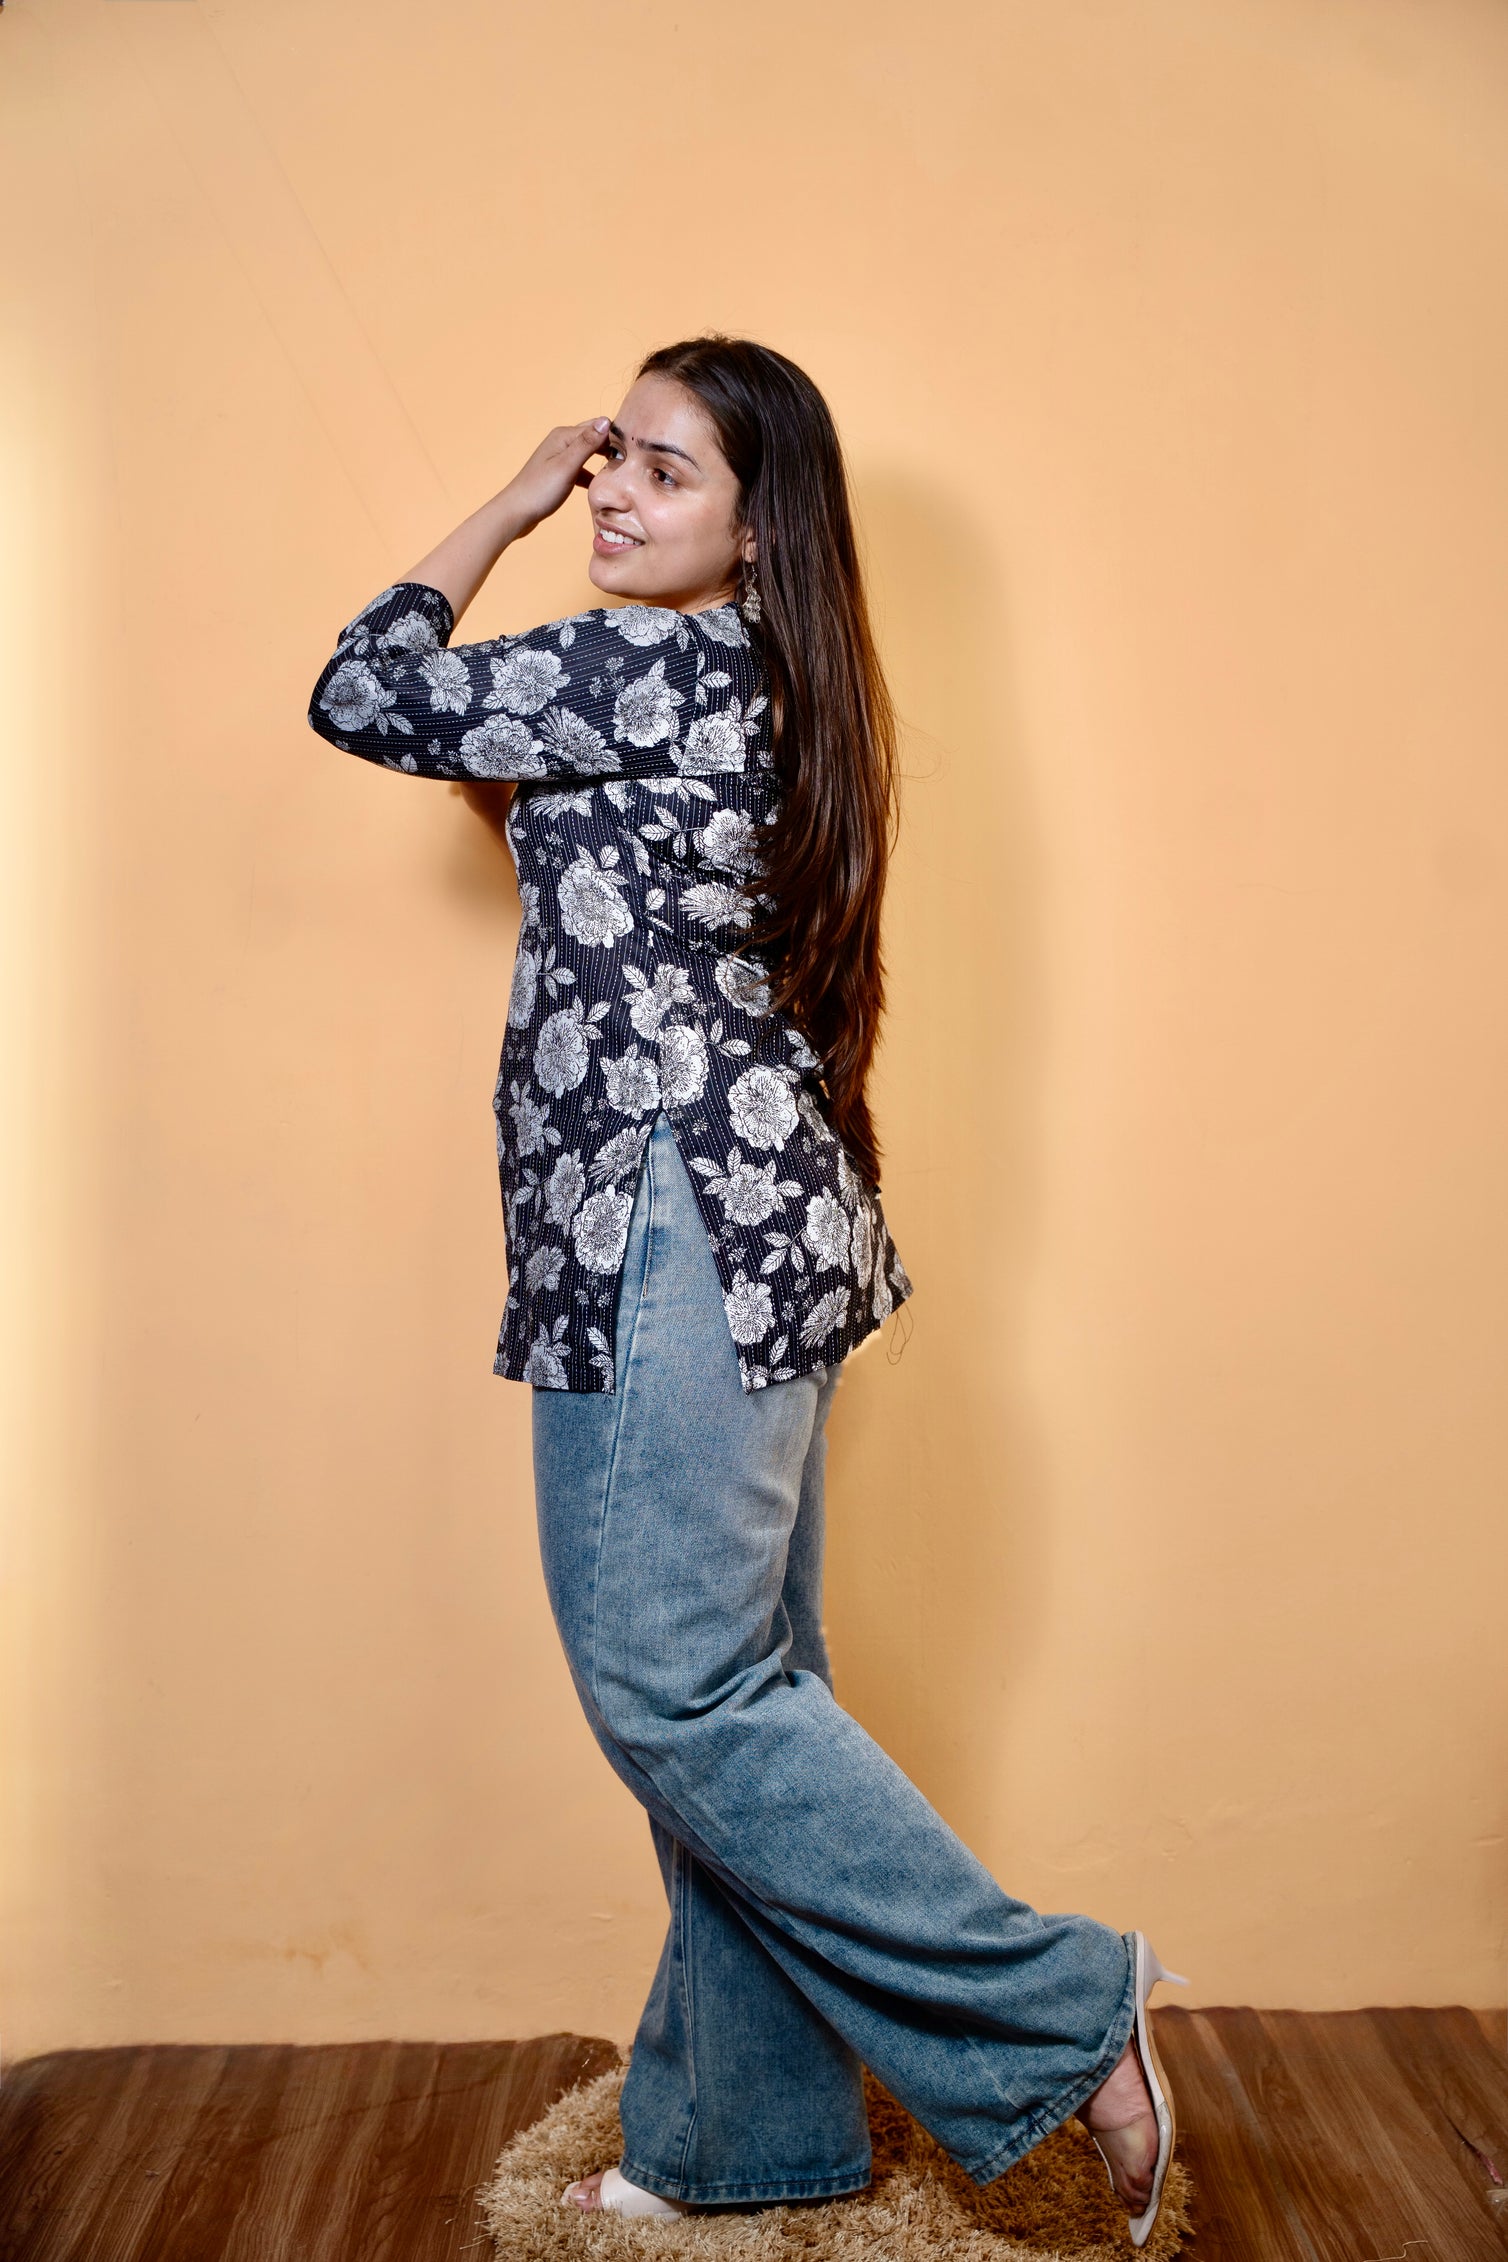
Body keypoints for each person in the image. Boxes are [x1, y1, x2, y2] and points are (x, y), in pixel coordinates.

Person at [306, 334, 1187, 2246]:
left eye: (663, 469)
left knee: (676, 1687)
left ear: (760, 525)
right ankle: (740, 2131)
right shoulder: (770, 679)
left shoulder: (642, 664)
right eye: (607, 457)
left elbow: (362, 687)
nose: (613, 491)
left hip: (674, 1216)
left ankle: (1065, 2016)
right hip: (754, 1212)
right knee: (736, 1688)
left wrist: (508, 502)